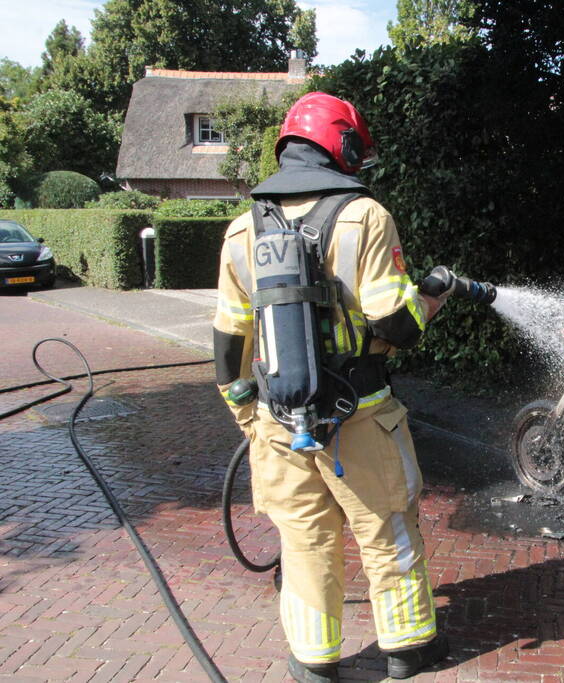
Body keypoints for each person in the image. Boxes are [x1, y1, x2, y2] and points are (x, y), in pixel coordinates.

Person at [213, 92, 449, 682]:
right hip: (361, 414)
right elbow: (393, 323)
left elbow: (229, 337)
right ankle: (407, 648)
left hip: (279, 418)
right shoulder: (365, 216)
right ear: (343, 146)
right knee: (387, 529)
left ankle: (315, 661)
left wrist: (248, 414)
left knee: (304, 539)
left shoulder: (241, 229)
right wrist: (431, 297)